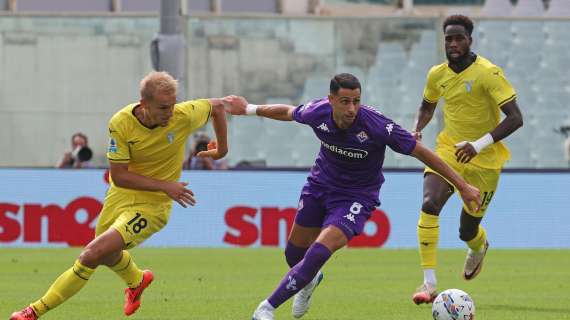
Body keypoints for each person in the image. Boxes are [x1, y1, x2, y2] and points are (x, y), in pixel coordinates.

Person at [222, 73, 481, 320]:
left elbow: (422, 153)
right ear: (331, 99)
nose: (352, 108)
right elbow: (288, 112)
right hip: (320, 185)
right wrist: (248, 109)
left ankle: (266, 308)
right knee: (294, 255)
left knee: (319, 252)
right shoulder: (317, 112)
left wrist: (463, 185)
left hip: (356, 196)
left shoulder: (377, 125)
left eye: (356, 101)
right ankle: (310, 279)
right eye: (345, 101)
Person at [10, 71, 229, 320]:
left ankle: (32, 312)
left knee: (91, 255)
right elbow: (120, 175)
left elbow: (219, 106)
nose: (170, 113)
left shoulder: (182, 115)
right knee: (107, 253)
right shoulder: (121, 123)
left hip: (153, 207)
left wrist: (222, 149)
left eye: (173, 104)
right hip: (120, 196)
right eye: (163, 107)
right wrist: (166, 185)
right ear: (144, 104)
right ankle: (138, 280)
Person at [410, 15, 524, 305]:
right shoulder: (437, 74)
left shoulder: (488, 73)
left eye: (459, 37)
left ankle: (478, 245)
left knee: (467, 230)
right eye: (449, 38)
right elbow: (427, 105)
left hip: (485, 160)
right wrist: (417, 129)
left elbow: (516, 118)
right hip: (449, 150)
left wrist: (478, 144)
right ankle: (428, 283)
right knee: (429, 204)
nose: (454, 43)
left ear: (470, 40)